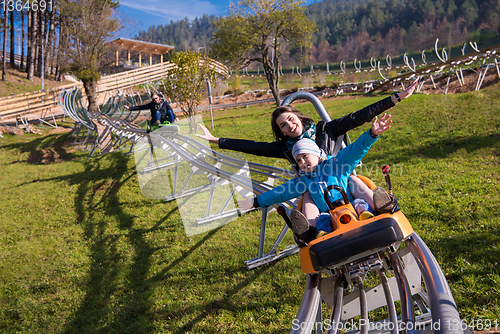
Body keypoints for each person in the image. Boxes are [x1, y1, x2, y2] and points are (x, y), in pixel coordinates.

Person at [197, 80, 417, 226]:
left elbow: (358, 118)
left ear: (299, 118)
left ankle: (379, 206)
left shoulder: (326, 130)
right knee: (308, 198)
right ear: (281, 131)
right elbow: (252, 146)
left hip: (340, 176)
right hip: (313, 188)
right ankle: (312, 230)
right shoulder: (285, 148)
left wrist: (395, 98)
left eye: (291, 120)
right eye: (283, 125)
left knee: (355, 182)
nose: (289, 126)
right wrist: (217, 140)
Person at [238, 114, 394, 242]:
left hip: (352, 205)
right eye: (298, 161)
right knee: (318, 213)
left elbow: (354, 151)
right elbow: (281, 192)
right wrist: (256, 202)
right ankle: (311, 232)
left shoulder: (336, 165)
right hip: (329, 215)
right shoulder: (304, 181)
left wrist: (372, 134)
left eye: (305, 156)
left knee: (355, 187)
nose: (302, 162)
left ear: (318, 154)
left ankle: (375, 209)